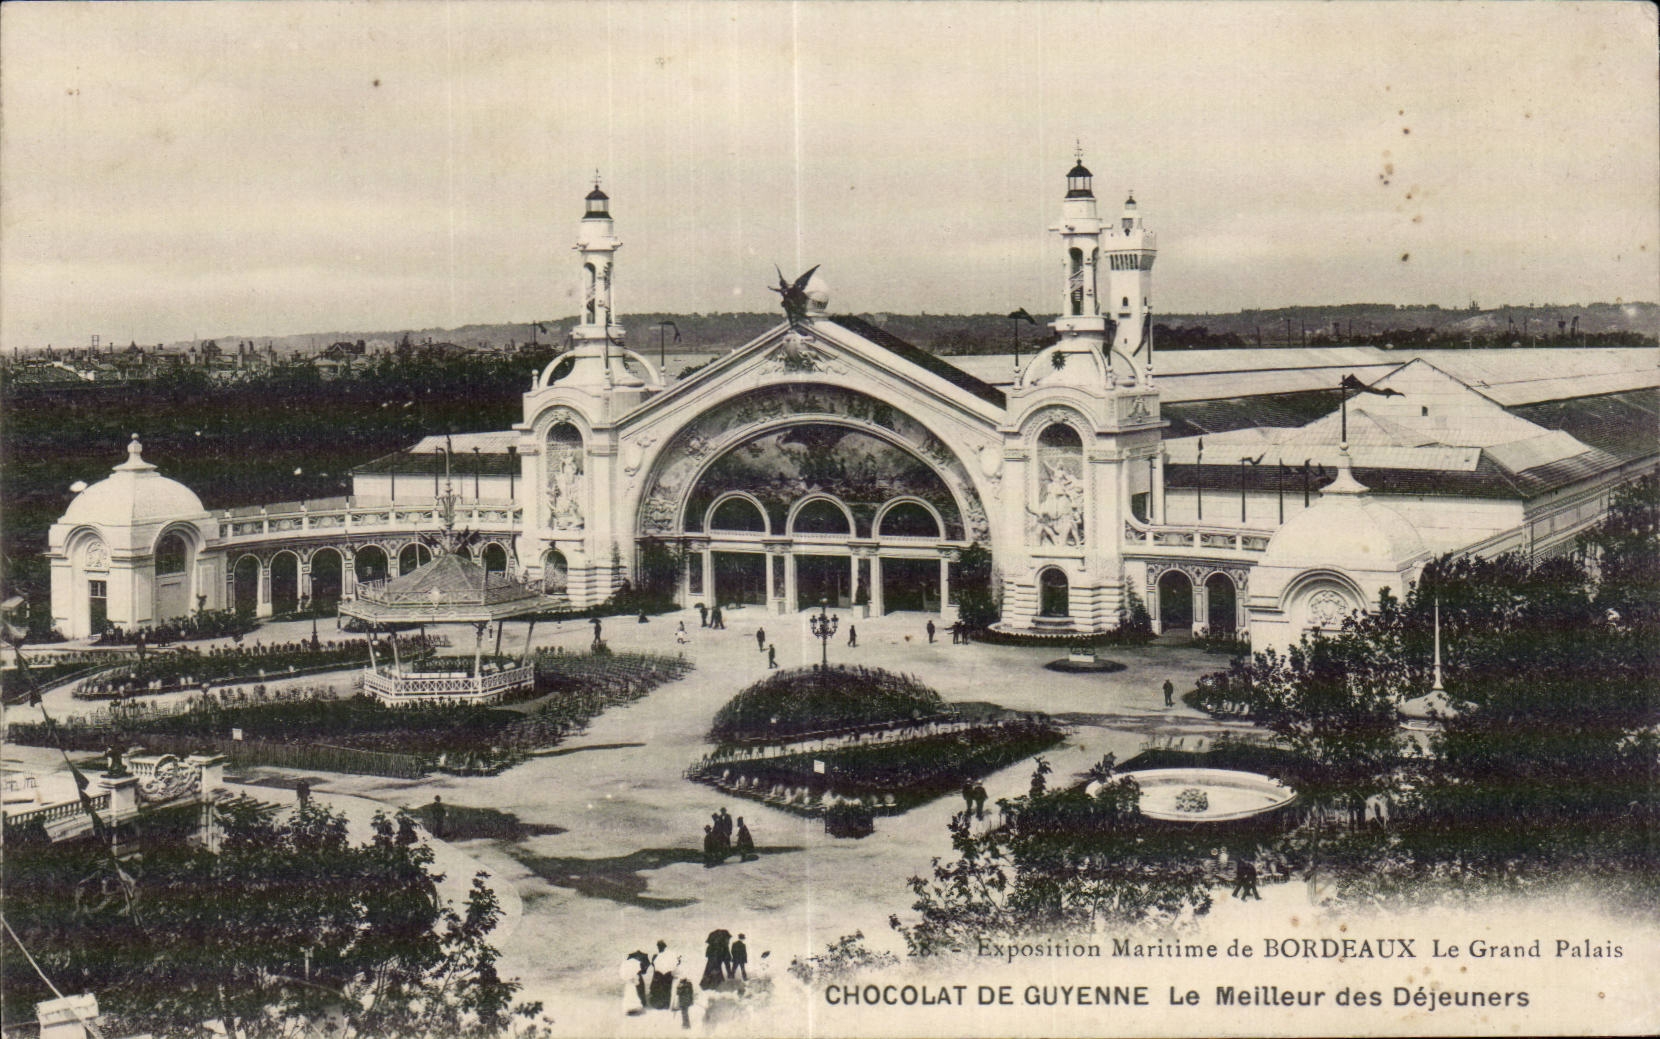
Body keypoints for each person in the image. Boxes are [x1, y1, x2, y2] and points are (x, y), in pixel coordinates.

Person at [650, 940, 679, 1010]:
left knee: (659, 989)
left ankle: (660, 1004)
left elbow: (654, 965)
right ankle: (666, 1003)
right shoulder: (669, 955)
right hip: (667, 975)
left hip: (658, 974)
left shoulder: (656, 956)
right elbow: (674, 965)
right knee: (666, 989)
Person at [623, 950, 652, 1015]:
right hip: (638, 978)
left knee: (633, 992)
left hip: (632, 979)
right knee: (640, 990)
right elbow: (644, 972)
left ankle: (634, 1005)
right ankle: (642, 1003)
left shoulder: (630, 962)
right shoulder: (640, 962)